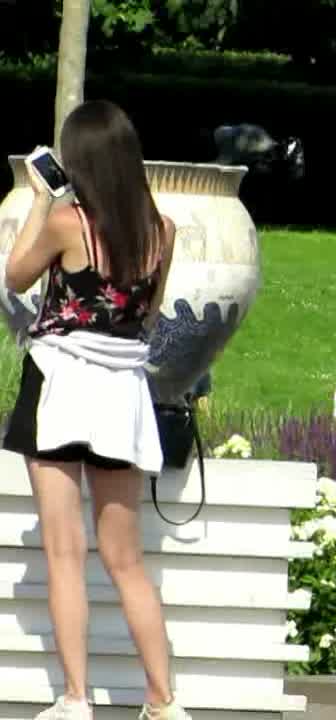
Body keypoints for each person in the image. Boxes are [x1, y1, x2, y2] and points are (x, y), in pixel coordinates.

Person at [2, 101, 190, 719]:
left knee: (65, 553)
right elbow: (148, 317)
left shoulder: (67, 222)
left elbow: (15, 276)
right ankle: (162, 700)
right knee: (126, 560)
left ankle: (76, 698)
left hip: (59, 380)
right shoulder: (161, 231)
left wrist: (40, 200)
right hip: (121, 392)